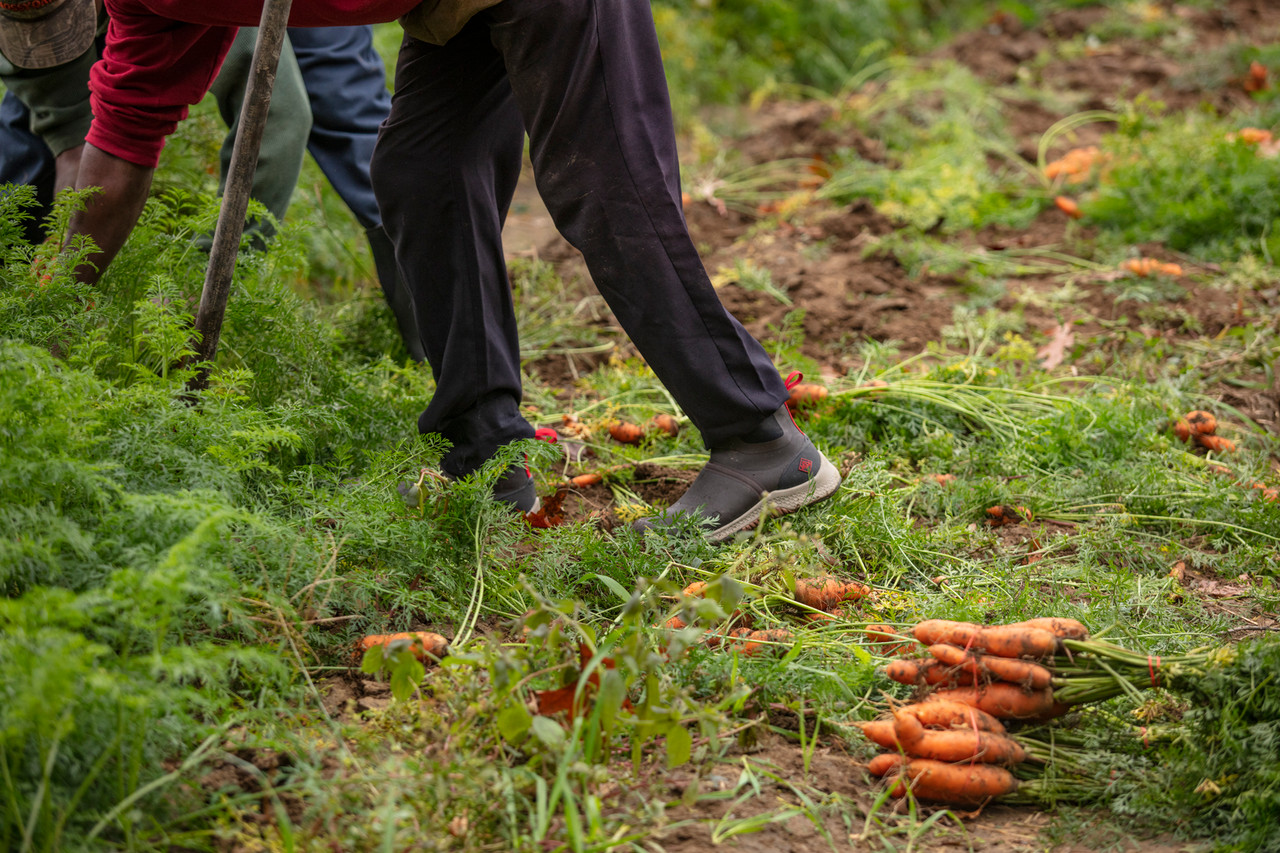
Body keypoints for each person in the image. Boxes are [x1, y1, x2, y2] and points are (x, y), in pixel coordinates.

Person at [4, 0, 841, 541]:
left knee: (604, 185)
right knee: (422, 174)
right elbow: (111, 167)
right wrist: (40, 323)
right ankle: (487, 453)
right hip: (455, 11)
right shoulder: (152, 15)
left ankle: (758, 440)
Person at [0, 3, 423, 360]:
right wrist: (59, 301)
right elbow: (95, 145)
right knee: (39, 152)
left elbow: (277, 117)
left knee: (351, 113)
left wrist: (195, 289)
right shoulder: (23, 38)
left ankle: (431, 334)